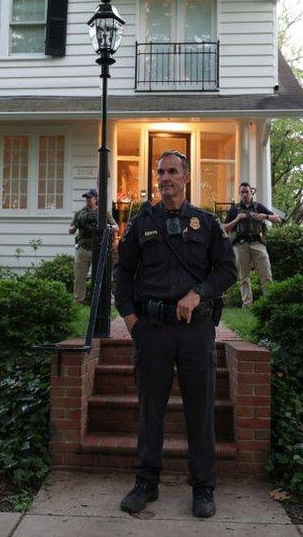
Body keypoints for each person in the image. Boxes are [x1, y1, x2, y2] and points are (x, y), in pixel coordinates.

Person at [113, 150, 237, 519]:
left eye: (172, 172)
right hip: (152, 329)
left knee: (200, 409)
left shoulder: (206, 223)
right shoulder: (141, 222)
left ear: (185, 177)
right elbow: (123, 272)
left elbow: (227, 270)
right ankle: (146, 482)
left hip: (195, 330)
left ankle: (203, 486)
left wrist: (198, 292)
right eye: (160, 172)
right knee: (151, 409)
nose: (165, 177)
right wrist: (130, 318)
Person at [222, 183, 281, 308]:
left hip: (258, 244)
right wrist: (237, 219)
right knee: (244, 277)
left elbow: (278, 219)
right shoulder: (234, 210)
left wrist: (264, 216)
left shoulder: (258, 206)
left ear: (251, 192)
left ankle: (269, 303)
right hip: (240, 245)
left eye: (247, 192)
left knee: (266, 274)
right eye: (242, 192)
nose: (245, 194)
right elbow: (224, 229)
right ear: (239, 193)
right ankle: (247, 305)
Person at [69, 188, 117, 302]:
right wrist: (76, 225)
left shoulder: (103, 213)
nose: (87, 200)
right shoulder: (80, 213)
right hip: (83, 248)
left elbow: (116, 227)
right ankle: (78, 299)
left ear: (95, 199)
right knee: (79, 276)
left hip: (99, 248)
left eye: (90, 197)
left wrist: (105, 227)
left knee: (103, 275)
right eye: (86, 198)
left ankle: (107, 298)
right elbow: (70, 230)